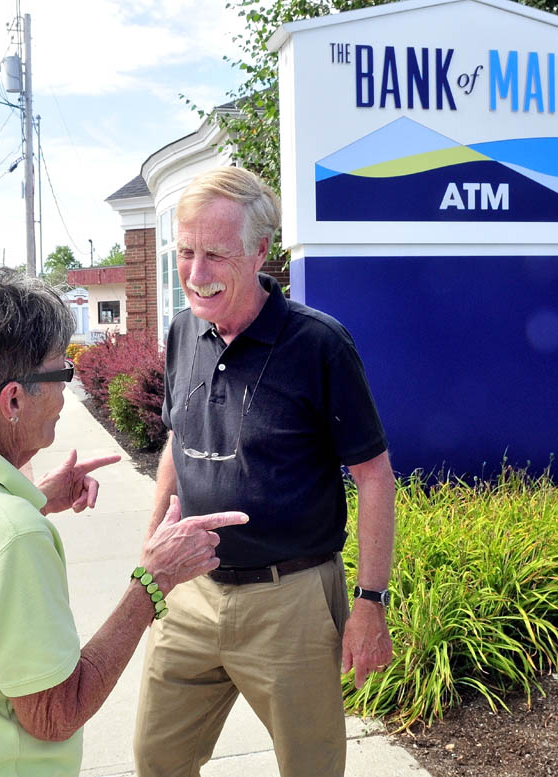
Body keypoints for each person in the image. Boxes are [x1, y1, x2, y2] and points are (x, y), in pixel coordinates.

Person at [0, 267, 248, 777]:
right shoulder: (9, 537)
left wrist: (32, 500)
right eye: (61, 375)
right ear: (13, 400)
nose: (68, 393)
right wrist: (152, 584)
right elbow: (54, 713)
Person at [133, 167, 397, 777]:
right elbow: (179, 437)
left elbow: (374, 475)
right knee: (157, 761)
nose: (196, 274)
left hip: (291, 602)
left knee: (311, 768)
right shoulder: (182, 331)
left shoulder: (319, 346)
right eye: (187, 251)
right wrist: (152, 545)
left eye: (216, 254)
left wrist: (370, 603)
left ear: (260, 251)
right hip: (189, 595)